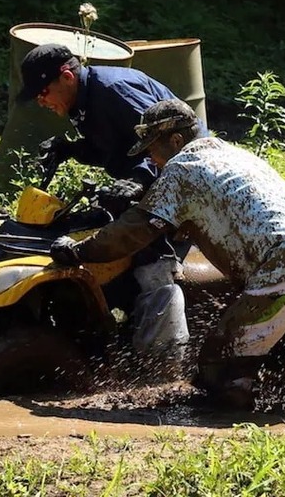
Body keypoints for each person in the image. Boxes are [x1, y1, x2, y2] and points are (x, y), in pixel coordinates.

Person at [49, 99, 285, 409]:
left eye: (153, 150)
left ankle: (232, 434)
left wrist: (81, 251)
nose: (152, 160)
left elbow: (134, 232)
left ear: (175, 140)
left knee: (219, 361)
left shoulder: (182, 168)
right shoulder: (234, 154)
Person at [17, 43, 196, 367]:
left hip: (183, 184)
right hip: (148, 181)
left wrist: (139, 181)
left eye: (42, 92)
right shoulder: (83, 101)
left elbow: (168, 145)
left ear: (67, 77)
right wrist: (72, 150)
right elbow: (113, 148)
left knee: (152, 262)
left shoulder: (114, 90)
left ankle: (164, 363)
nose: (40, 101)